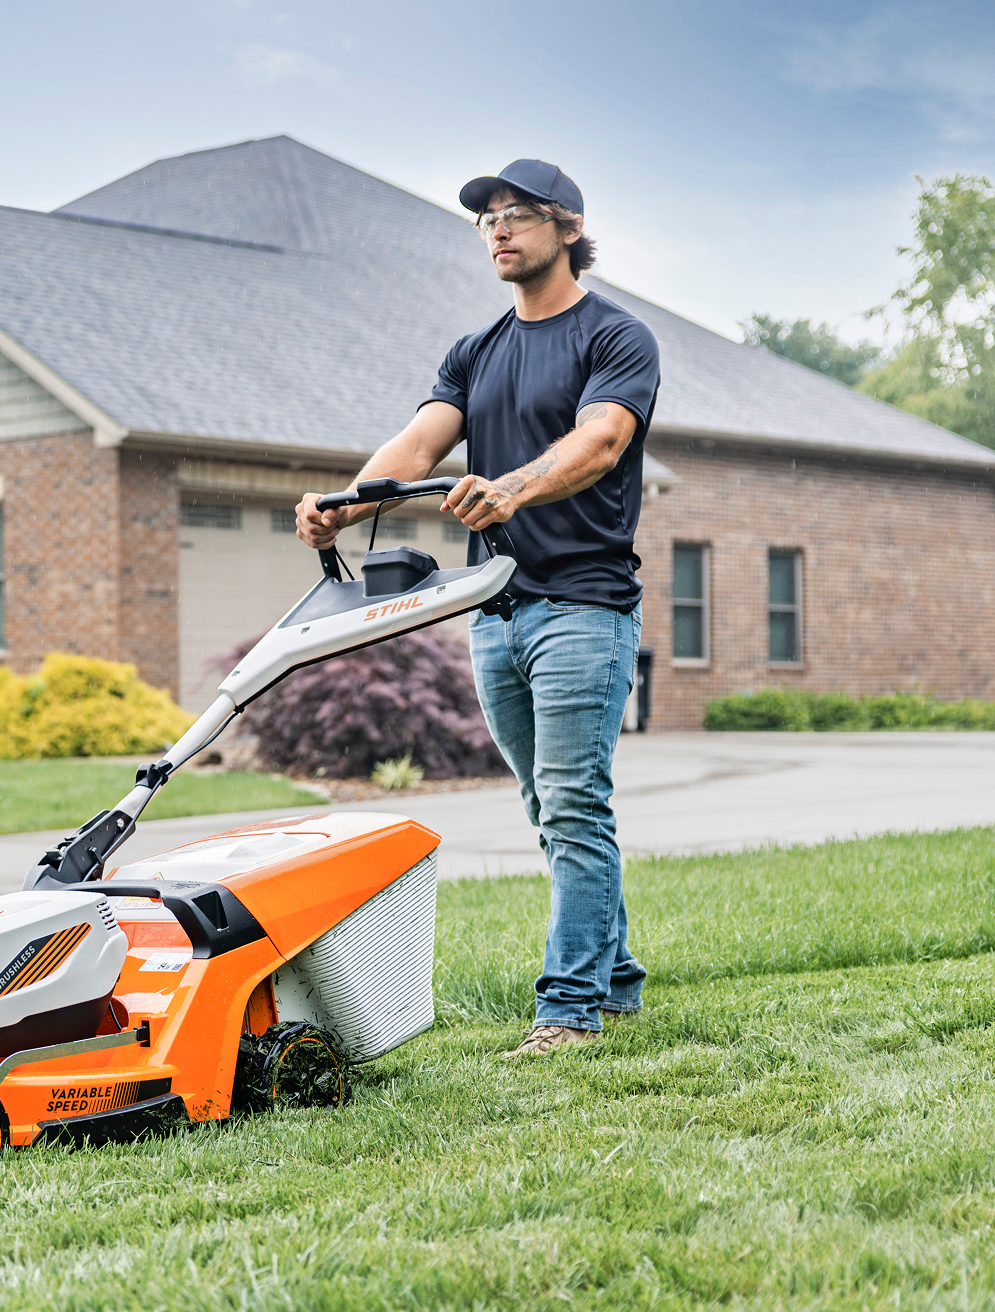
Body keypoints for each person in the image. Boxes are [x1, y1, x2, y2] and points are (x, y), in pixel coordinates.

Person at [296, 159, 661, 1059]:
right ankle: (615, 981)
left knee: (574, 803)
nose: (498, 230)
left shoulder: (617, 336)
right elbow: (422, 437)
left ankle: (568, 1008)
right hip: (494, 612)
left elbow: (602, 438)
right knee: (548, 805)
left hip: (583, 604)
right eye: (486, 219)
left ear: (568, 227)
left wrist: (514, 489)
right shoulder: (477, 349)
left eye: (518, 215)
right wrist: (347, 500)